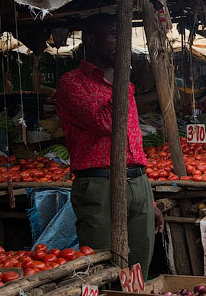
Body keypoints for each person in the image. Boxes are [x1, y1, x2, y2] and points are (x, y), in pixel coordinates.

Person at [56, 14, 161, 272]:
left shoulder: (122, 83)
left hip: (137, 181)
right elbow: (108, 125)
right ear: (92, 39)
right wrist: (121, 82)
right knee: (104, 269)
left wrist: (152, 202)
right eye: (115, 35)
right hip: (99, 184)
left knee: (139, 269)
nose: (123, 44)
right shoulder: (72, 83)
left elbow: (132, 141)